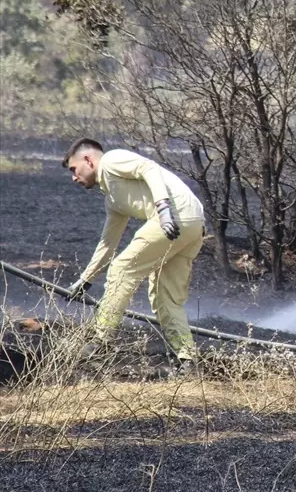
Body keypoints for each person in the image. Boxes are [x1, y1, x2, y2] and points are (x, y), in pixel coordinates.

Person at [62, 139, 205, 372]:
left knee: (121, 269)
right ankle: (189, 361)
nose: (74, 177)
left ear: (88, 160)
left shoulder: (111, 160)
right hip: (193, 224)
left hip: (172, 217)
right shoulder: (113, 199)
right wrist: (85, 280)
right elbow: (108, 243)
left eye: (74, 169)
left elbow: (148, 168)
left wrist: (163, 209)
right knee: (164, 297)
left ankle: (101, 341)